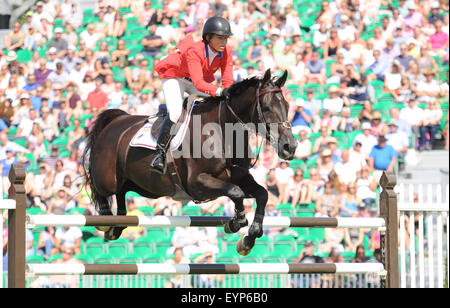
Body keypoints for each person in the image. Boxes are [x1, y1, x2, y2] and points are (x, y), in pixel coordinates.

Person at [152, 16, 234, 174]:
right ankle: (159, 154)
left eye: (226, 38)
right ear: (208, 38)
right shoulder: (195, 51)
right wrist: (219, 91)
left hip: (196, 81)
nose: (224, 42)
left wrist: (227, 92)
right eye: (220, 38)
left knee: (221, 102)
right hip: (175, 77)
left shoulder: (226, 53)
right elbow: (198, 84)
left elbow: (227, 81)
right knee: (175, 113)